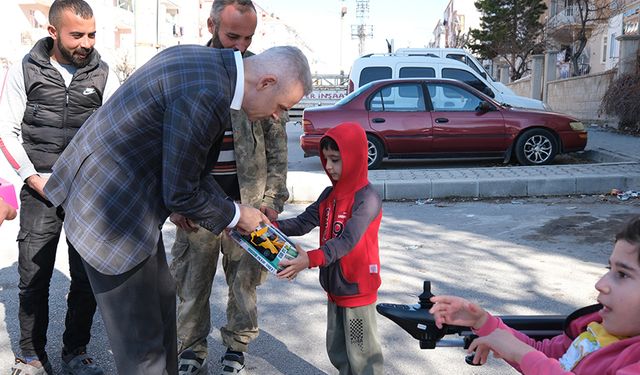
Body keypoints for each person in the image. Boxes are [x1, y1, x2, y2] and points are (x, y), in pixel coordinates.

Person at [43, 43, 312, 374]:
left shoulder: (211, 67)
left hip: (131, 207)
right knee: (143, 348)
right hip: (110, 213)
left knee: (162, 304)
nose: (277, 116)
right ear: (267, 83)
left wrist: (233, 211)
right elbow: (182, 193)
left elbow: (190, 169)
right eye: (281, 107)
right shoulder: (208, 92)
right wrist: (237, 215)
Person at [168, 1, 290, 374]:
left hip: (251, 207)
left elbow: (277, 143)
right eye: (231, 35)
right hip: (198, 205)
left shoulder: (262, 73)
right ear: (211, 24)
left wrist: (272, 201)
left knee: (245, 286)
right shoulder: (188, 69)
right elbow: (168, 143)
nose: (239, 46)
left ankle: (236, 348)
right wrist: (172, 202)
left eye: (248, 37)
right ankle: (190, 351)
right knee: (192, 283)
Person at [0, 0, 119, 373]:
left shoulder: (103, 73)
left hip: (87, 195)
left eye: (92, 34)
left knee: (86, 278)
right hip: (39, 190)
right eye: (77, 35)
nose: (87, 43)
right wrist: (31, 177)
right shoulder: (25, 69)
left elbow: (116, 131)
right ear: (53, 32)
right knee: (33, 276)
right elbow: (6, 130)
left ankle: (76, 351)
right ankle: (30, 354)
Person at [429, 216, 640, 374]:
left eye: (622, 274)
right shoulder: (595, 329)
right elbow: (545, 355)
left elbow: (534, 359)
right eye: (608, 268)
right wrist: (483, 322)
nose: (600, 284)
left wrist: (521, 354)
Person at [273, 122, 385, 375]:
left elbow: (347, 240)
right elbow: (302, 223)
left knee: (362, 355)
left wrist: (309, 259)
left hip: (356, 289)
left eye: (336, 159)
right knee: (337, 349)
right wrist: (268, 225)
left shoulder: (368, 198)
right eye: (326, 159)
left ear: (355, 157)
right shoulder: (329, 195)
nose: (329, 167)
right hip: (334, 286)